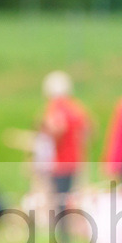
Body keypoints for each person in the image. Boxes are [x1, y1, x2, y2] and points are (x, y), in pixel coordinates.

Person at [40, 70, 90, 216]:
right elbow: (88, 129)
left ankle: (62, 234)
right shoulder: (76, 107)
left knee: (59, 201)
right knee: (70, 200)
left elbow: (57, 128)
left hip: (59, 163)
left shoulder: (54, 107)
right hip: (75, 160)